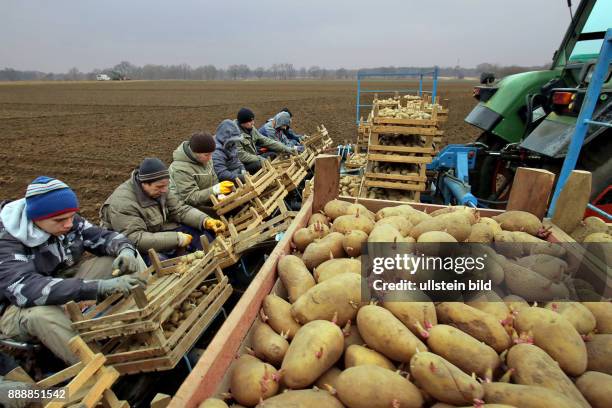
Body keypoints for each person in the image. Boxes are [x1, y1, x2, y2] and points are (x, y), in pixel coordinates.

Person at [0, 176, 145, 364]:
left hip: (64, 283)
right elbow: (26, 289)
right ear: (36, 218)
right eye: (60, 220)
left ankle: (144, 317)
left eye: (71, 217)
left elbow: (102, 236)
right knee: (42, 315)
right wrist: (97, 287)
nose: (69, 224)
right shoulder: (7, 240)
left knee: (125, 259)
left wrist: (125, 249)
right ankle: (99, 367)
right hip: (17, 306)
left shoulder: (66, 220)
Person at [100, 158, 226, 262]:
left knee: (203, 234)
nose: (165, 190)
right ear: (144, 183)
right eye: (160, 187)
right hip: (131, 246)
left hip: (157, 228)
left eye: (166, 185)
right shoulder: (123, 203)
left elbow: (180, 210)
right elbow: (136, 239)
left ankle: (218, 262)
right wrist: (177, 239)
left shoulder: (161, 189)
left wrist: (205, 220)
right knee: (163, 262)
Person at [169, 132, 234, 212]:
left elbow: (214, 179)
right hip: (184, 207)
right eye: (207, 155)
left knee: (234, 206)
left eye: (211, 154)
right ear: (194, 152)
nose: (210, 158)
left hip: (205, 199)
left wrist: (220, 194)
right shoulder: (180, 169)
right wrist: (215, 190)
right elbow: (190, 197)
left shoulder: (206, 159)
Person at [235, 108, 297, 174]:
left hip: (254, 157)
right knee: (260, 164)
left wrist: (285, 148)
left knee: (273, 154)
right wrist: (259, 158)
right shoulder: (234, 135)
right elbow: (241, 155)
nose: (253, 123)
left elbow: (265, 141)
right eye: (250, 121)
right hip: (242, 165)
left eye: (252, 120)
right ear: (242, 122)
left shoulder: (251, 129)